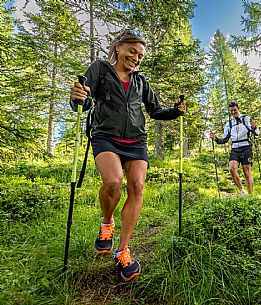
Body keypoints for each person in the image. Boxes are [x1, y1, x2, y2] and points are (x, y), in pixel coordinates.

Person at [69, 29, 186, 282]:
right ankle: (107, 224)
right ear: (119, 47)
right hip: (105, 136)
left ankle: (122, 251)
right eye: (132, 51)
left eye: (140, 55)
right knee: (113, 181)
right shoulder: (100, 69)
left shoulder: (141, 82)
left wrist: (175, 111)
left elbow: (155, 111)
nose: (136, 57)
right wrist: (77, 98)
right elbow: (85, 99)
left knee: (138, 186)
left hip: (136, 141)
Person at [209, 101, 259, 195]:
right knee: (232, 168)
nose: (233, 112)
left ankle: (251, 195)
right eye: (231, 111)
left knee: (247, 173)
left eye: (234, 110)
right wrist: (214, 138)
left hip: (246, 147)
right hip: (235, 149)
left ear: (238, 109)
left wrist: (254, 127)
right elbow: (224, 139)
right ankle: (242, 192)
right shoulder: (229, 124)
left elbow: (256, 132)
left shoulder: (245, 119)